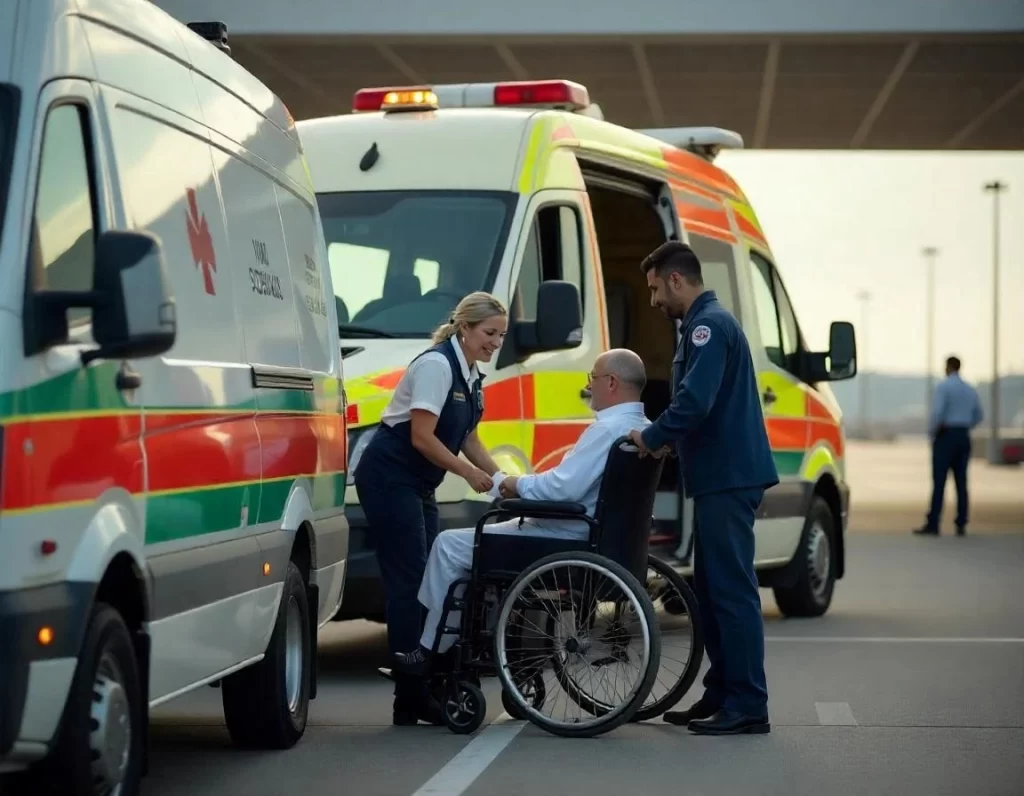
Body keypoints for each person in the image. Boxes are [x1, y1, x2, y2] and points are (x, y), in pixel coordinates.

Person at [628, 241, 779, 736]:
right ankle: (722, 692)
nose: (652, 301)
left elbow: (695, 401)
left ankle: (748, 704)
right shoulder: (702, 325)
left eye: (654, 289)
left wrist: (651, 437)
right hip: (719, 476)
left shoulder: (707, 327)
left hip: (729, 478)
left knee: (732, 593)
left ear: (676, 279)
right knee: (713, 593)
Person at [416, 349, 650, 661]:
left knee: (447, 545)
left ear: (611, 382)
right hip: (604, 538)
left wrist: (515, 485)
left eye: (591, 379)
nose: (588, 387)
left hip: (566, 538)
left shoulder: (607, 429)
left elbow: (563, 487)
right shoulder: (643, 427)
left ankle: (433, 650)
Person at [353, 291, 508, 726]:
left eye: (501, 335)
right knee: (409, 579)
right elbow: (422, 436)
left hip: (418, 481)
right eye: (489, 333)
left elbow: (470, 438)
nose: (496, 343)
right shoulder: (437, 366)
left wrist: (501, 481)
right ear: (465, 328)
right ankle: (411, 691)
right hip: (389, 476)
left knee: (432, 575)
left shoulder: (470, 372)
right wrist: (467, 474)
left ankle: (419, 689)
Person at [915, 355, 983, 537]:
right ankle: (961, 523)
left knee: (939, 482)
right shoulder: (970, 389)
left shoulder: (944, 387)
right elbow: (978, 415)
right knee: (961, 482)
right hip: (963, 435)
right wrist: (965, 425)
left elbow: (937, 413)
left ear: (948, 367)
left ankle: (934, 523)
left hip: (945, 435)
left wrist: (932, 433)